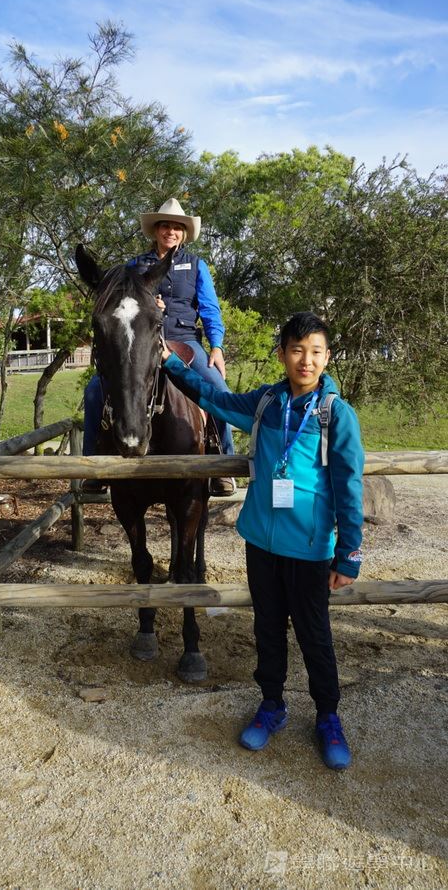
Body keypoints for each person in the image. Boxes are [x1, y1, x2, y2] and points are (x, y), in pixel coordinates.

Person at [162, 311, 364, 771]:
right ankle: (272, 705)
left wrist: (348, 555)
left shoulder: (337, 414)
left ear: (327, 357)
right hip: (260, 543)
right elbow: (215, 399)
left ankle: (328, 716)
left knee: (315, 636)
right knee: (267, 630)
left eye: (315, 352)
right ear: (282, 355)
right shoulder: (266, 403)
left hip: (311, 549)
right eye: (296, 350)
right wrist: (171, 365)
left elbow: (349, 488)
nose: (305, 361)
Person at [82, 197, 236, 496]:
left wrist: (216, 347)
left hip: (185, 341)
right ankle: (94, 464)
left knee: (220, 391)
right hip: (141, 343)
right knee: (93, 392)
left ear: (184, 233)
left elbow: (210, 309)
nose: (171, 231)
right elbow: (120, 303)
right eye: (165, 225)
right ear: (156, 230)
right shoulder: (135, 265)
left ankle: (222, 461)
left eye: (177, 227)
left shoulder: (196, 265)